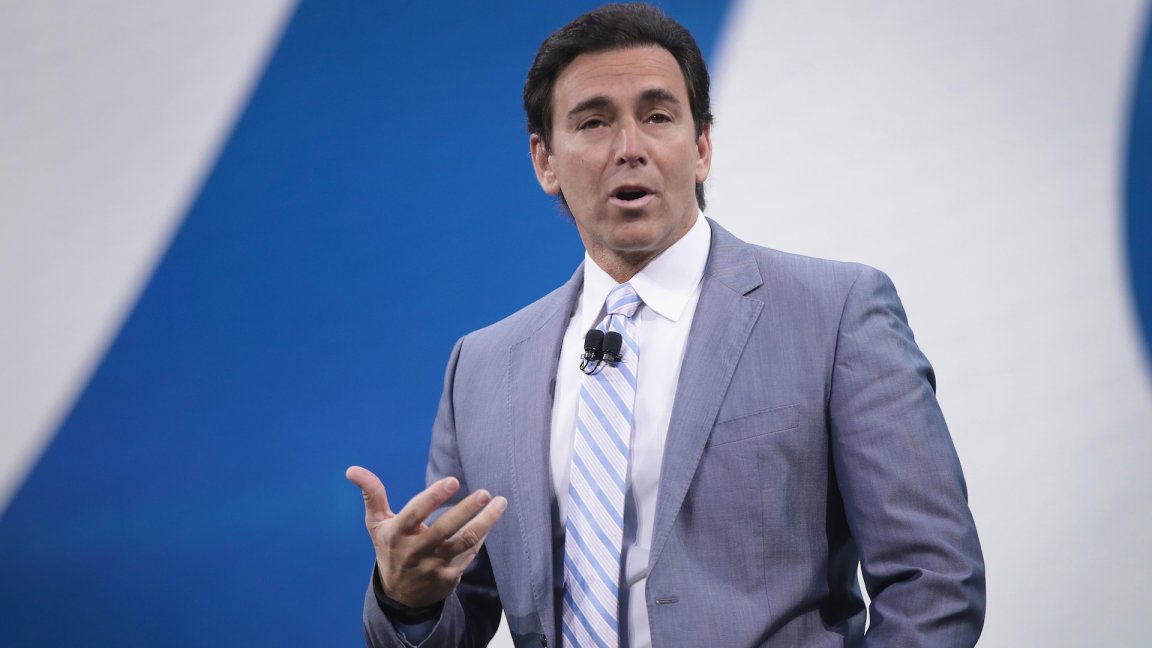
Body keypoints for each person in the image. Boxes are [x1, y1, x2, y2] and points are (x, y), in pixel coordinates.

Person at [346, 4, 985, 647]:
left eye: (657, 116)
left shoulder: (834, 313)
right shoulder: (482, 368)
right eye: (594, 122)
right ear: (545, 161)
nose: (630, 149)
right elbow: (460, 614)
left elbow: (932, 579)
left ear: (701, 146)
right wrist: (406, 601)